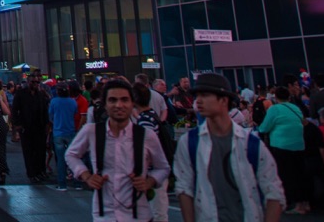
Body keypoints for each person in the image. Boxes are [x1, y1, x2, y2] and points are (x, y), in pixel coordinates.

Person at [174, 72, 284, 222]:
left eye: (205, 95)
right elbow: (184, 189)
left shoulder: (251, 144)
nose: (198, 101)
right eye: (197, 95)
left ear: (224, 100)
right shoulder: (189, 143)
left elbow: (274, 192)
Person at [66, 78, 170, 222]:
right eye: (113, 100)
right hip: (105, 214)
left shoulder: (146, 135)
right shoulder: (92, 131)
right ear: (105, 105)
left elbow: (163, 167)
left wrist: (149, 182)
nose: (119, 105)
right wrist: (86, 176)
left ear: (132, 103)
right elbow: (71, 154)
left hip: (138, 215)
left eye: (124, 100)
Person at [258, 85, 309, 214]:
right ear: (289, 97)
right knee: (300, 174)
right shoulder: (295, 108)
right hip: (299, 144)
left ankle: (296, 205)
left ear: (276, 97)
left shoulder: (274, 109)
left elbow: (264, 128)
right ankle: (305, 203)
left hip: (282, 145)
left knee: (287, 176)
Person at [132, 82, 170, 222]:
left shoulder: (145, 121)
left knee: (156, 212)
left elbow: (145, 149)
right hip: (156, 172)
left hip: (152, 173)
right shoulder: (152, 115)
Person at [49, 82, 80, 191]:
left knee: (60, 159)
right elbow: (75, 113)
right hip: (71, 131)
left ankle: (62, 184)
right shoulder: (72, 102)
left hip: (58, 132)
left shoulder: (54, 101)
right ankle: (77, 182)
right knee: (74, 157)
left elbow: (50, 115)